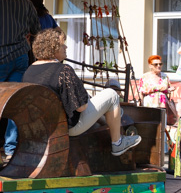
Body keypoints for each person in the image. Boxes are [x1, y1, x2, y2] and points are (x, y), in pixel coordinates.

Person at [22, 28, 141, 156]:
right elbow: (81, 107)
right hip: (67, 127)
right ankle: (117, 143)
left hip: (40, 126)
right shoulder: (63, 70)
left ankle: (114, 117)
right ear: (54, 47)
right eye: (63, 44)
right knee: (111, 95)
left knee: (101, 103)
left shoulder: (29, 71)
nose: (66, 47)